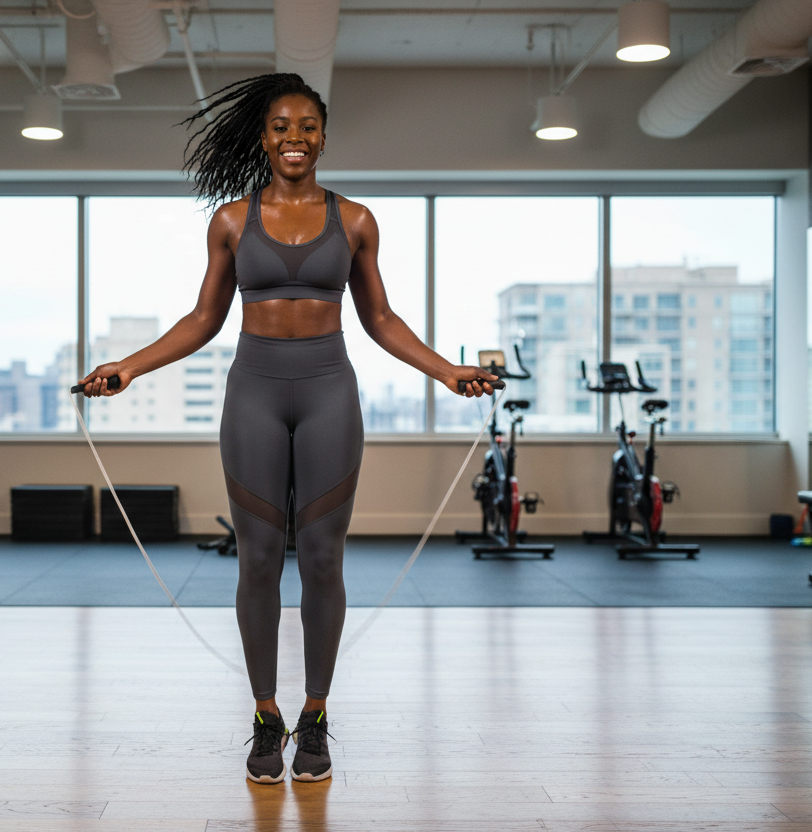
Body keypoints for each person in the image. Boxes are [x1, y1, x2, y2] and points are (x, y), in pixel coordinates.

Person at [78, 73, 497, 784]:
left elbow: (382, 320)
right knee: (260, 559)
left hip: (330, 388)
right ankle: (267, 718)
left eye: (307, 125)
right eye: (280, 126)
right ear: (263, 136)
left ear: (324, 136)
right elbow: (203, 320)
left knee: (326, 559)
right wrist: (132, 366)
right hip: (255, 392)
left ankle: (317, 715)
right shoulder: (231, 221)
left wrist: (447, 372)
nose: (294, 137)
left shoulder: (356, 220)